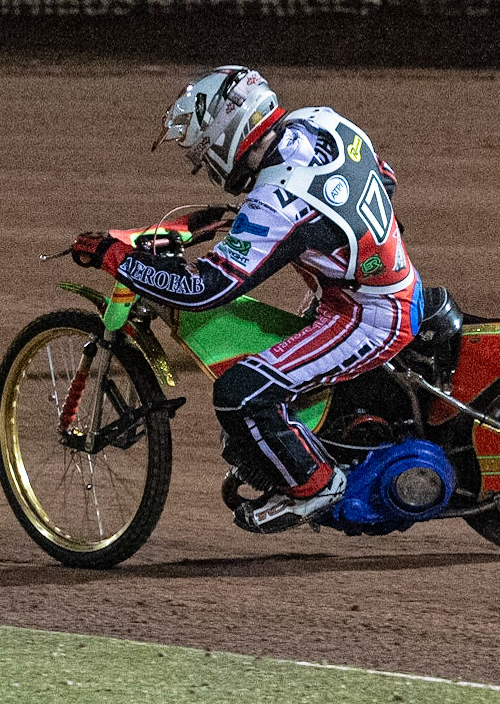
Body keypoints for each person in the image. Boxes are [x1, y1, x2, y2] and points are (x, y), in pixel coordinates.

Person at [70, 66, 422, 533]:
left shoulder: (276, 201)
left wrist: (113, 256)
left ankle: (316, 486)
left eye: (202, 154)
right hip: (370, 285)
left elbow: (202, 290)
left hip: (369, 315)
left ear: (225, 135)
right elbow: (385, 178)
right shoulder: (321, 121)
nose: (204, 167)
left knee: (240, 395)